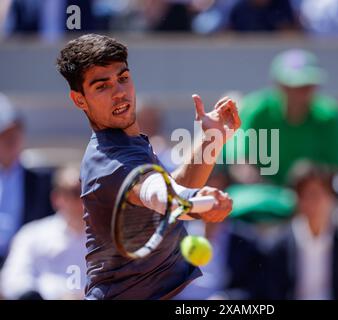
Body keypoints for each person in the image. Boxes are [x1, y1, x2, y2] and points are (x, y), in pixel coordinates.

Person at [56, 34, 240, 300]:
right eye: (101, 86)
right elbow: (159, 196)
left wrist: (212, 140)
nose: (119, 92)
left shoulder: (130, 143)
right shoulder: (109, 164)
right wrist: (197, 203)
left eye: (123, 78)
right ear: (79, 100)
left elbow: (172, 190)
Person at [229, 49, 338, 185]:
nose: (303, 92)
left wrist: (310, 178)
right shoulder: (256, 111)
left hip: (309, 199)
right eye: (295, 86)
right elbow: (239, 160)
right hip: (261, 194)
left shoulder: (328, 116)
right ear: (279, 85)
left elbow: (333, 167)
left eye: (308, 85)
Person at [270, 161, 338, 299]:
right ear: (298, 200)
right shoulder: (276, 247)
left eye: (318, 195)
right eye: (306, 195)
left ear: (331, 198)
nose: (313, 203)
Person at [0, 164, 86, 300]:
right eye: (75, 193)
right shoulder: (32, 235)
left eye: (87, 192)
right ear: (56, 198)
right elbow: (12, 281)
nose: (83, 201)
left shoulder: (107, 240)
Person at [0, 93, 53, 266]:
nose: (11, 140)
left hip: (25, 267)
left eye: (16, 133)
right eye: (5, 134)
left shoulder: (41, 180)